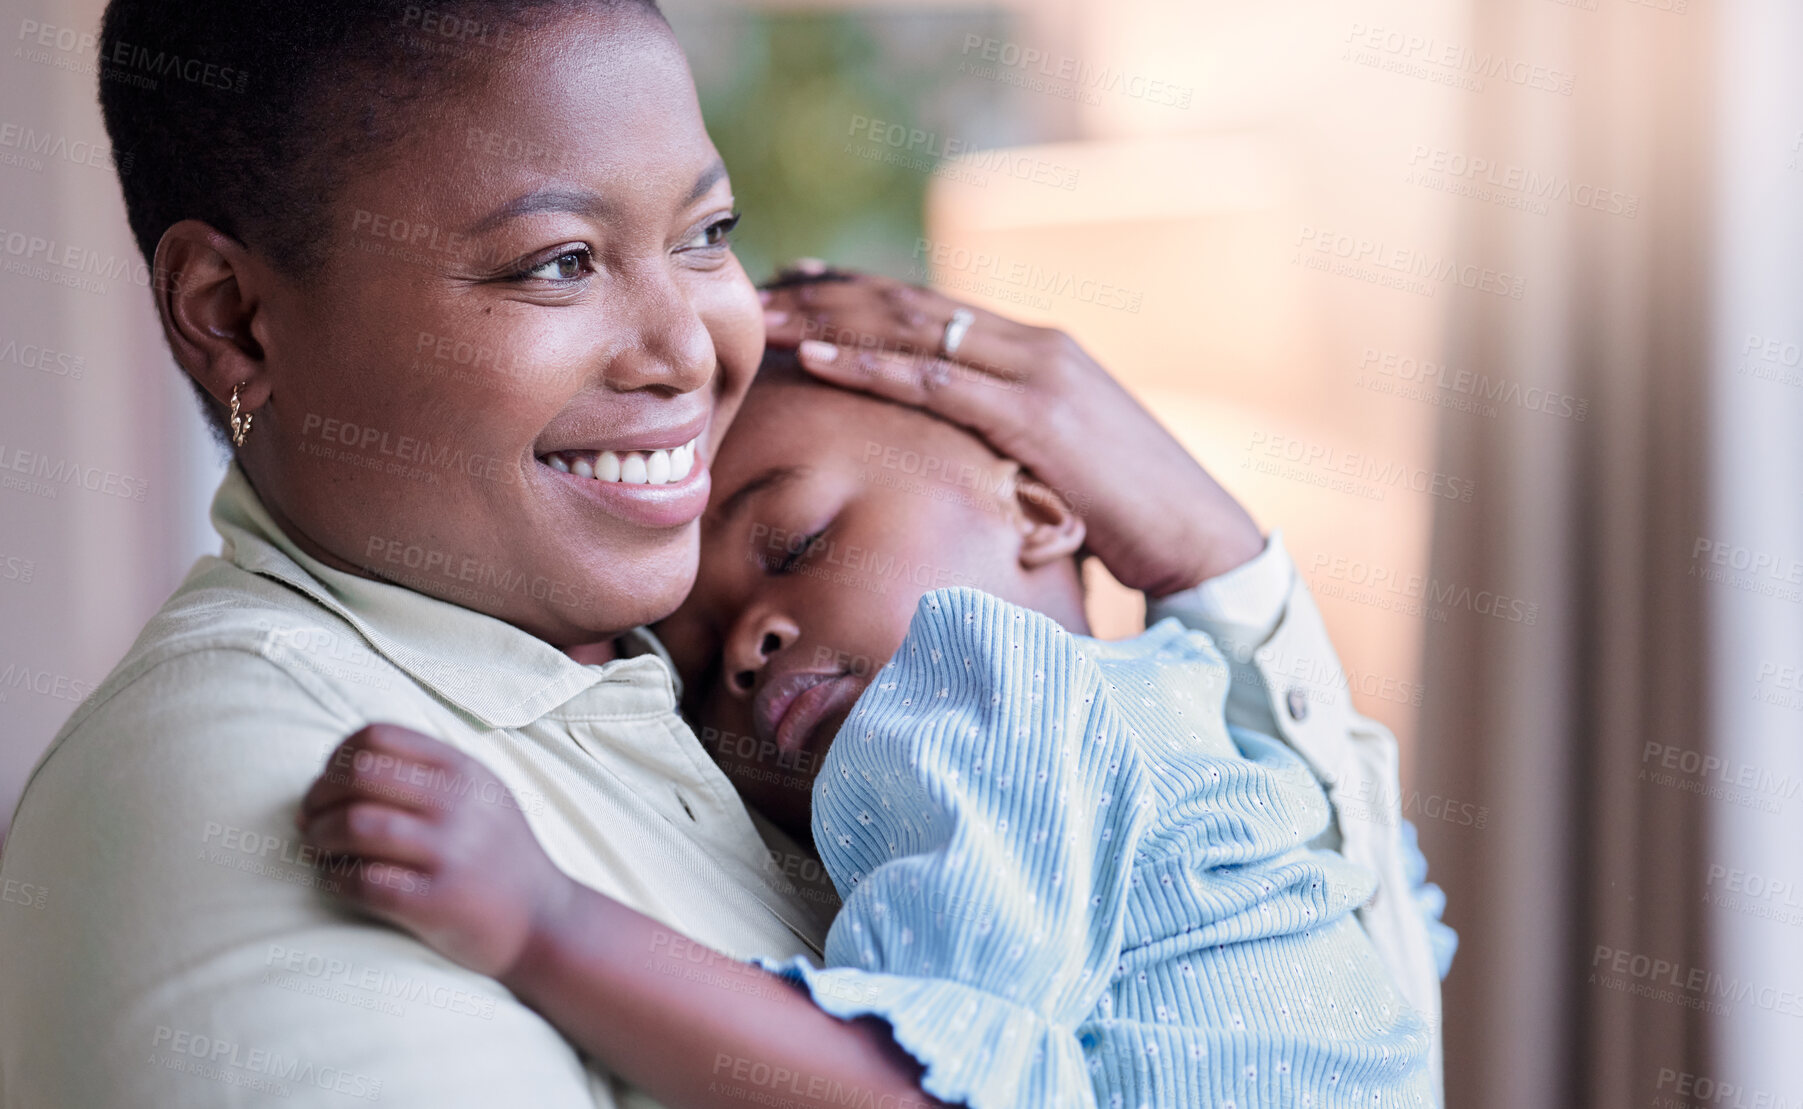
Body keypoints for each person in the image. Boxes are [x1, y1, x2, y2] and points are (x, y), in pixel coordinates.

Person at [0, 3, 885, 1105]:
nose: (688, 347)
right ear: (232, 317)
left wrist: (1174, 560)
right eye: (558, 262)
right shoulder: (273, 780)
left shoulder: (727, 679)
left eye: (706, 232)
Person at [298, 341, 1456, 1107]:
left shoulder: (990, 689)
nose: (746, 643)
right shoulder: (1187, 706)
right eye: (696, 668)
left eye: (794, 544)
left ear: (1044, 509)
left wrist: (542, 920)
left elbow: (922, 1079)